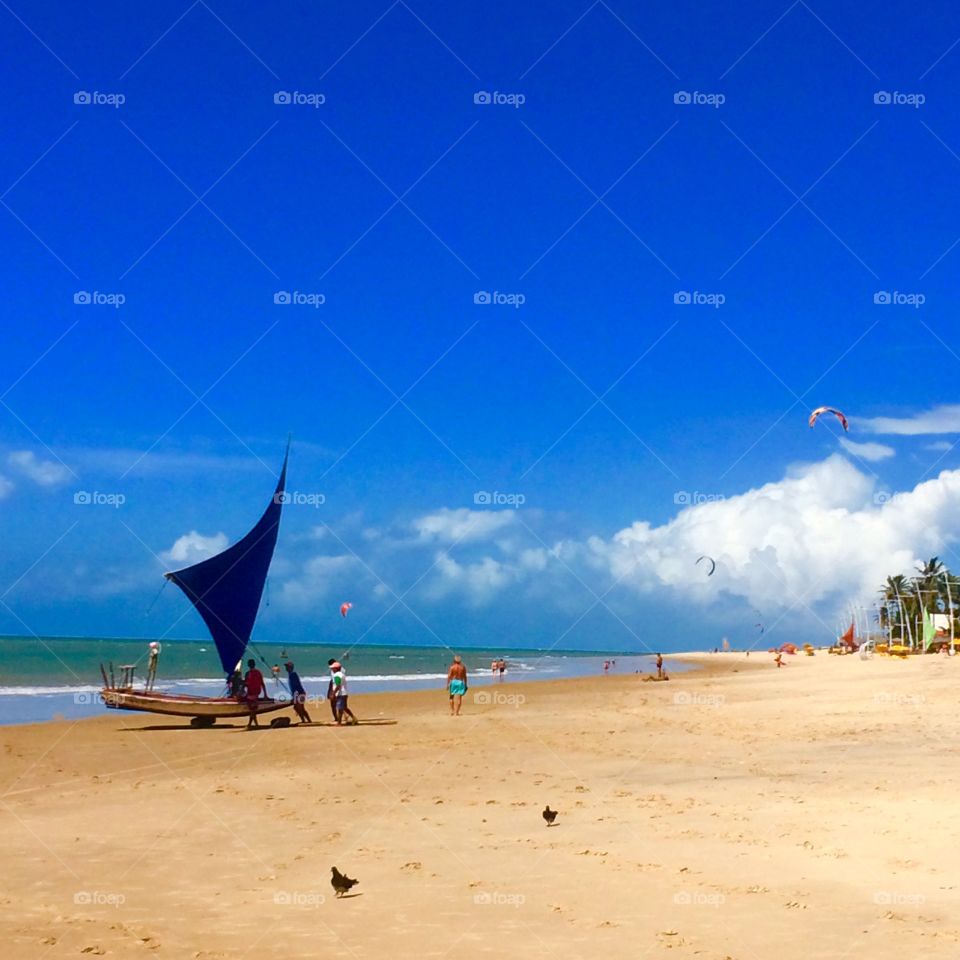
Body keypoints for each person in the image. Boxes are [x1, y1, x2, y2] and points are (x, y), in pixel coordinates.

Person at [328, 659, 357, 725]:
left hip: (341, 694)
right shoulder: (341, 674)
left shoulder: (337, 675)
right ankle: (354, 718)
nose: (332, 669)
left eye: (333, 668)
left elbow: (338, 685)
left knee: (340, 709)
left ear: (335, 668)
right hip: (343, 693)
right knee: (344, 707)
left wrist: (333, 693)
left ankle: (339, 722)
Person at [244, 658, 266, 729]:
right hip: (256, 693)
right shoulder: (258, 672)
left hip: (250, 694)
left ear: (248, 665)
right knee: (253, 710)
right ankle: (252, 724)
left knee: (252, 710)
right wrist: (265, 694)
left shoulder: (247, 673)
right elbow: (262, 684)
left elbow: (246, 684)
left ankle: (252, 725)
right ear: (254, 664)